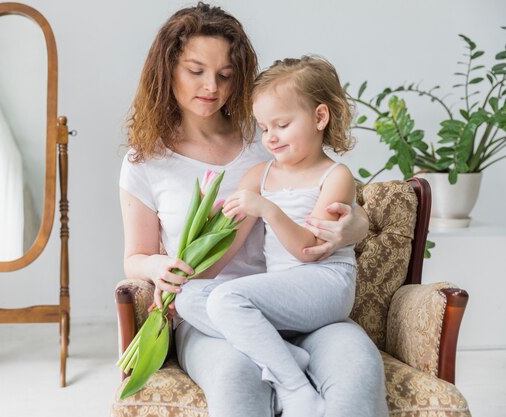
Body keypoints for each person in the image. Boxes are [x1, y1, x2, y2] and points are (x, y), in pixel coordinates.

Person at [119, 3, 388, 417]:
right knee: (237, 375)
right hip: (212, 318)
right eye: (196, 71)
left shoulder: (266, 138)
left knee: (358, 371)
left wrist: (357, 227)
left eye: (226, 75)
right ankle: (287, 376)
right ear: (167, 68)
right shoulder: (146, 162)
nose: (212, 86)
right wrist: (160, 270)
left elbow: (326, 192)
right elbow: (134, 257)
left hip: (303, 303)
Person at [177, 56, 359, 417]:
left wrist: (269, 211)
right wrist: (183, 277)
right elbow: (226, 252)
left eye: (282, 124)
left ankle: (293, 386)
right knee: (189, 298)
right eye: (263, 127)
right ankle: (283, 350)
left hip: (325, 285)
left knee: (229, 302)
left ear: (320, 118)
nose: (270, 137)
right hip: (282, 294)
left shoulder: (335, 176)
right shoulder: (259, 175)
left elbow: (310, 250)